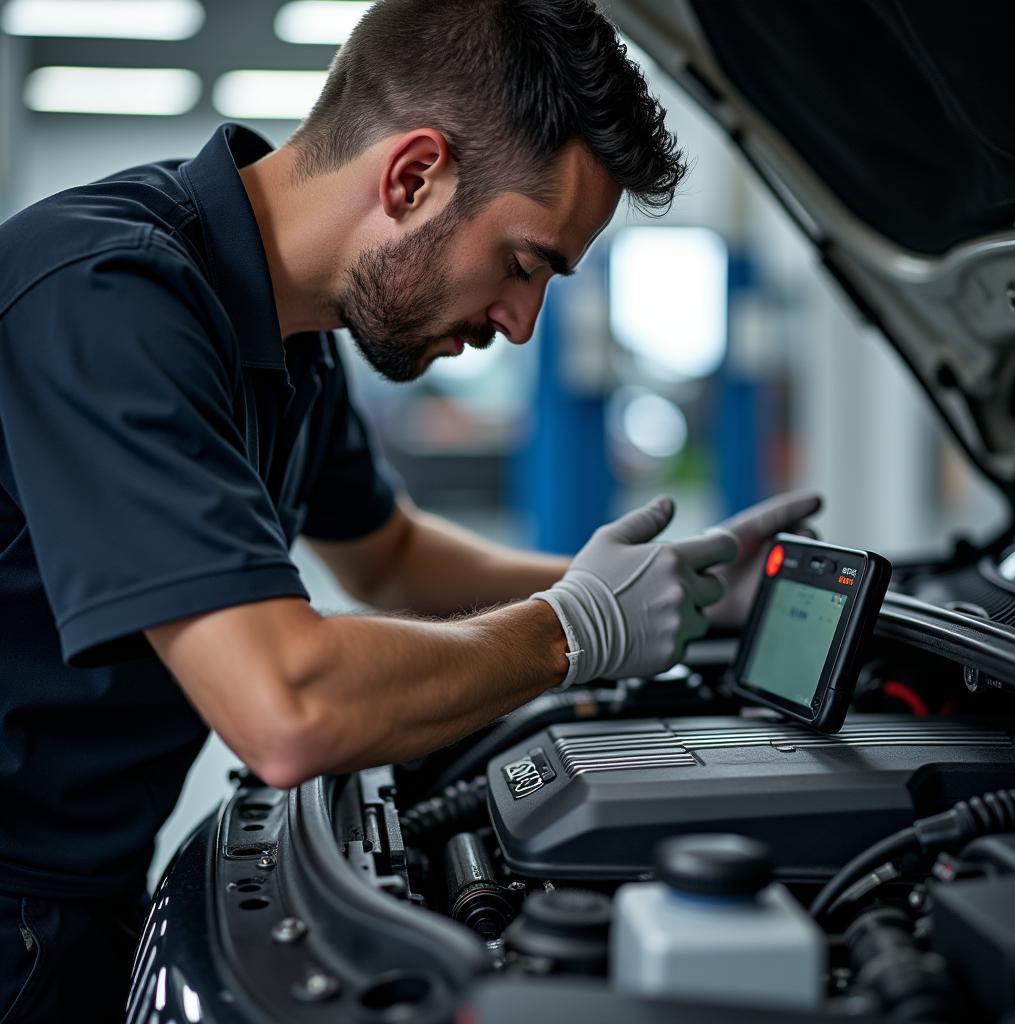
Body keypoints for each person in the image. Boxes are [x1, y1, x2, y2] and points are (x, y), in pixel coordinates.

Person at [0, 0, 819, 1017]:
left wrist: (667, 593)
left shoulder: (289, 332)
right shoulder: (106, 299)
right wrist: (576, 630)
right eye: (524, 263)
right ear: (412, 176)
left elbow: (389, 556)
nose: (521, 324)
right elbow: (284, 711)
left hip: (83, 890)